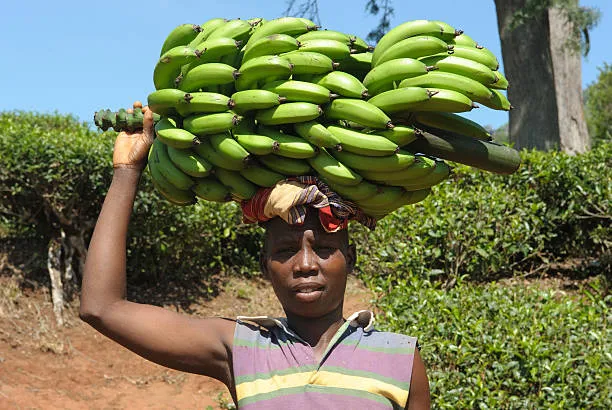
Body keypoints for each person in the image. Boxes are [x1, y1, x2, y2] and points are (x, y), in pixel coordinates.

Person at [80, 102, 431, 409]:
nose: (306, 265)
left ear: (350, 258)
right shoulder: (242, 348)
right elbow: (102, 308)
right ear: (265, 265)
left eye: (324, 249)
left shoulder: (400, 359)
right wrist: (126, 172)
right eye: (286, 251)